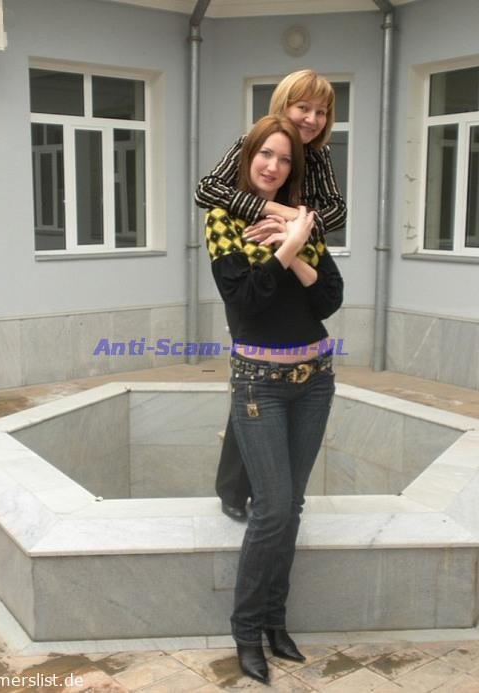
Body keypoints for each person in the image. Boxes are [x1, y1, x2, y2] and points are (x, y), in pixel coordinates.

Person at [204, 114, 343, 684]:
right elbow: (247, 300)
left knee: (293, 506)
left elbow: (330, 298)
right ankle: (245, 630)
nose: (274, 166)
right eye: (266, 153)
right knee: (273, 508)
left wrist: (298, 245)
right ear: (249, 155)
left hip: (315, 380)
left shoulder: (302, 217)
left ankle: (274, 622)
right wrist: (287, 250)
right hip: (259, 384)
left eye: (285, 159)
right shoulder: (222, 219)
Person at [196, 69, 346, 521]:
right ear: (282, 105)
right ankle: (232, 489)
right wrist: (275, 210)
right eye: (303, 107)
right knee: (253, 387)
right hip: (254, 249)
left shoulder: (317, 157)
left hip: (296, 252)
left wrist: (296, 230)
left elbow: (336, 211)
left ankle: (256, 490)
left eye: (321, 111)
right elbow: (208, 190)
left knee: (260, 401)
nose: (312, 119)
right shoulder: (254, 142)